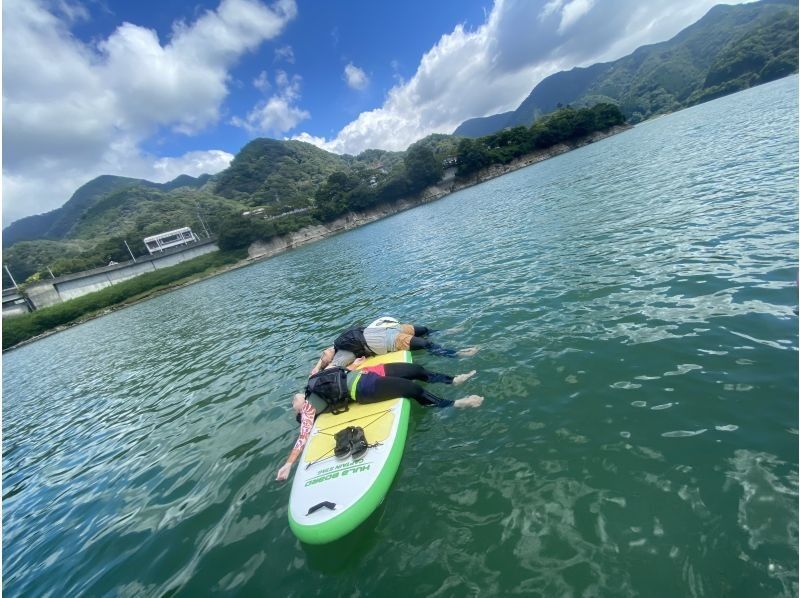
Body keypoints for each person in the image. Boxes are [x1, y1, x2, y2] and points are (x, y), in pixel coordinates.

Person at [275, 362, 483, 481]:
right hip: (364, 389)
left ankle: (452, 380)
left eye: (297, 398)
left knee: (416, 370)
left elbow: (339, 368)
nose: (297, 400)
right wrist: (288, 465)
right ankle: (454, 404)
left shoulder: (315, 382)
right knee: (411, 389)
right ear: (301, 409)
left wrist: (356, 362)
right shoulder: (310, 408)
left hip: (366, 375)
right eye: (297, 404)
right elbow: (302, 438)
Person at [310, 317, 478, 375]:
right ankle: (457, 354)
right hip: (391, 341)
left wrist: (322, 358)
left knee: (423, 330)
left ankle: (449, 331)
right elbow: (329, 370)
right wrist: (318, 367)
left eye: (323, 353)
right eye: (323, 356)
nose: (323, 353)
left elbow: (326, 354)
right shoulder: (343, 354)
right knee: (425, 344)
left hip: (390, 330)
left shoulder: (338, 341)